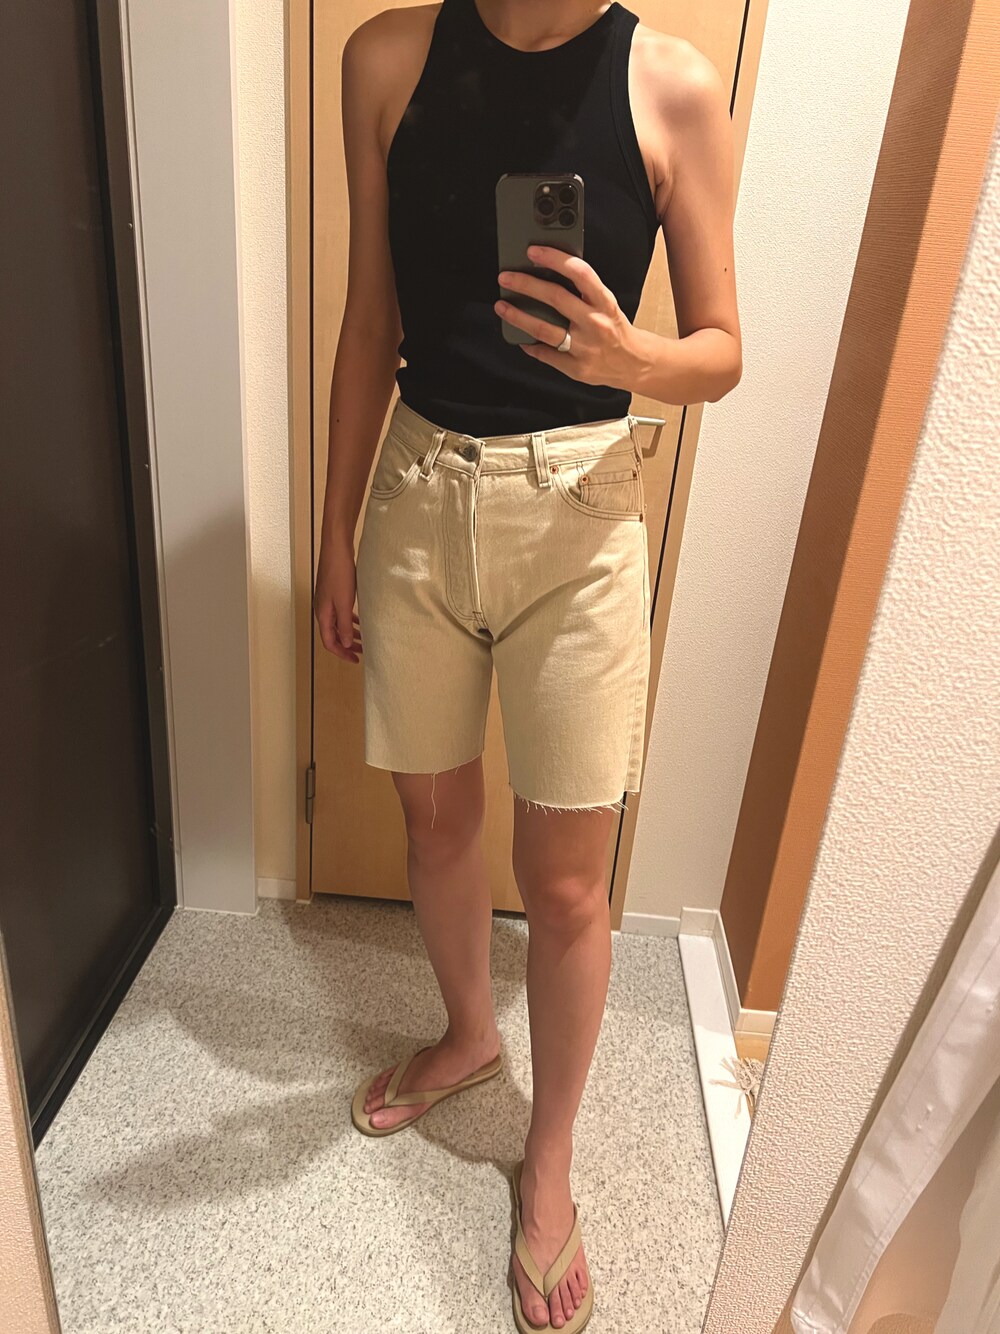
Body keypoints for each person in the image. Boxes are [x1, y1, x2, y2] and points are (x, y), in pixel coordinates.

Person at [313, 2, 740, 1329]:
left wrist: (629, 356)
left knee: (564, 883)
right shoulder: (385, 61)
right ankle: (468, 1034)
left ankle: (547, 1161)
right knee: (433, 821)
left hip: (583, 515)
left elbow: (723, 347)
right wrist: (333, 533)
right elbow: (370, 318)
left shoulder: (672, 86)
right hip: (418, 489)